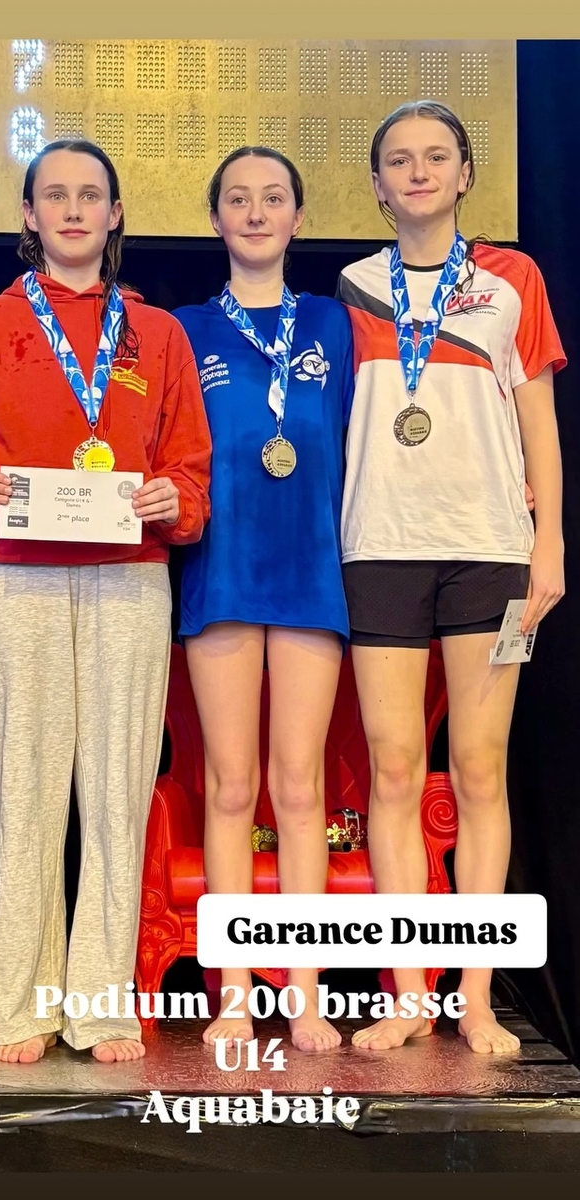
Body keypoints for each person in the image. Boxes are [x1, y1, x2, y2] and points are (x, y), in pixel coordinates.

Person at [0, 139, 211, 1065]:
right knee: (26, 794)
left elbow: (190, 471)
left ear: (116, 213)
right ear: (30, 215)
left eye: (92, 194)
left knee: (118, 796)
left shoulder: (156, 334)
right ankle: (21, 1007)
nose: (75, 209)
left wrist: (173, 499)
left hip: (129, 579)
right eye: (56, 195)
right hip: (18, 578)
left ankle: (100, 1005)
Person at [337, 101, 566, 1054]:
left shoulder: (512, 279)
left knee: (477, 768)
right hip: (379, 549)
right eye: (399, 160)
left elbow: (537, 417)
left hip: (489, 549)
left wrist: (549, 542)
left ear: (465, 174)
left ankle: (473, 996)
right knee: (393, 770)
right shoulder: (351, 288)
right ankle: (407, 995)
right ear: (378, 185)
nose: (419, 171)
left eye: (436, 156)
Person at [173, 146, 355, 1052]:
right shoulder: (182, 330)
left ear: (296, 217)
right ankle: (236, 993)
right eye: (238, 199)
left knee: (298, 785)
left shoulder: (332, 324)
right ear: (215, 219)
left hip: (310, 572)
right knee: (231, 784)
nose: (254, 212)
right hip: (222, 571)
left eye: (272, 198)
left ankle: (307, 994)